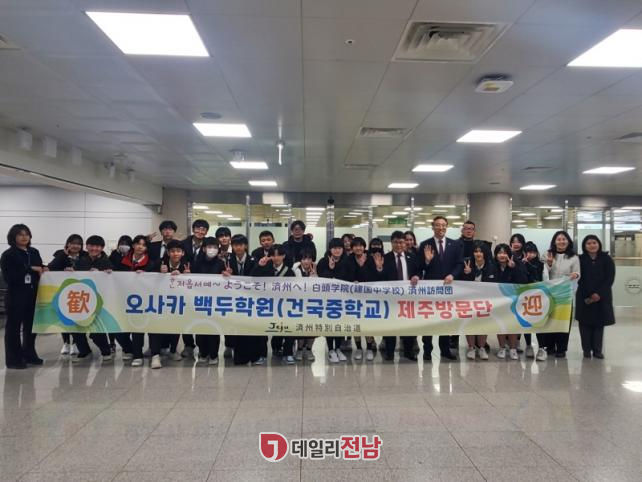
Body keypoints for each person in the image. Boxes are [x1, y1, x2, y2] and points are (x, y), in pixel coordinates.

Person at [1, 224, 46, 369]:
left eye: (27, 234)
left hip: (33, 294)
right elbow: (9, 277)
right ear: (13, 237)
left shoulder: (34, 252)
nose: (24, 237)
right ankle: (14, 360)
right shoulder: (8, 255)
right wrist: (29, 269)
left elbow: (39, 267)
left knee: (31, 327)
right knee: (13, 328)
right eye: (20, 234)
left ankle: (29, 355)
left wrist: (44, 269)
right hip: (16, 295)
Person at [419, 216, 463, 361]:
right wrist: (427, 261)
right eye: (437, 225)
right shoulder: (425, 245)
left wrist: (452, 275)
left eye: (443, 225)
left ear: (447, 227)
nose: (441, 228)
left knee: (445, 319)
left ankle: (445, 350)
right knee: (429, 320)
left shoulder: (455, 245)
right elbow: (419, 267)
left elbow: (459, 264)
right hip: (430, 290)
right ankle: (427, 350)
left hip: (448, 289)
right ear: (433, 227)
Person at [376, 230, 421, 361]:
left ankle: (408, 352)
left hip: (408, 297)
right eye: (396, 242)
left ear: (405, 243)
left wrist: (417, 276)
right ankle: (389, 352)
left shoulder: (412, 257)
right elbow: (379, 278)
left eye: (401, 242)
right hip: (391, 298)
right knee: (390, 325)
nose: (399, 245)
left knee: (408, 325)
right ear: (391, 243)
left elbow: (418, 271)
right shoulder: (385, 258)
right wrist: (379, 268)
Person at [70, 235, 115, 363]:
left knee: (97, 330)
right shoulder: (81, 261)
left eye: (98, 246)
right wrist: (69, 272)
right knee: (76, 328)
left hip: (100, 301)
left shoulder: (107, 262)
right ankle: (84, 351)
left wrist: (105, 273)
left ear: (102, 248)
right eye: (92, 246)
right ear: (87, 246)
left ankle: (106, 351)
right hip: (82, 299)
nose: (94, 248)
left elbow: (113, 279)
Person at [115, 235, 156, 367]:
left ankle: (138, 355)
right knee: (119, 330)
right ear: (133, 245)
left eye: (143, 245)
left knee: (139, 327)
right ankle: (131, 350)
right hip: (124, 299)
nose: (140, 247)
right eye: (138, 244)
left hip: (144, 300)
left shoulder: (151, 263)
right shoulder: (121, 260)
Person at [252, 245, 295, 364]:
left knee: (288, 328)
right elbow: (253, 279)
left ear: (283, 256)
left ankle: (287, 353)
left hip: (283, 306)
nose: (276, 258)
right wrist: (259, 266)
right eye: (273, 255)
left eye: (279, 255)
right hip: (266, 305)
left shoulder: (289, 271)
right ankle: (262, 354)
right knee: (262, 330)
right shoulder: (265, 267)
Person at [576, 235, 614, 359]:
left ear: (599, 244)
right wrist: (591, 293)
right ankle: (586, 350)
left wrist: (599, 293)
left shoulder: (606, 259)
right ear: (584, 246)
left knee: (599, 324)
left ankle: (597, 350)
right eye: (589, 243)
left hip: (602, 296)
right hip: (584, 295)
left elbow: (610, 278)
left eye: (594, 242)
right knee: (584, 324)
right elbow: (580, 279)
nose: (592, 245)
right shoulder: (580, 259)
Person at [226, 234, 261, 364]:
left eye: (241, 245)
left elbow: (256, 278)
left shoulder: (254, 259)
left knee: (250, 327)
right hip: (234, 299)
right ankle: (235, 352)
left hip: (251, 299)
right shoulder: (227, 260)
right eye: (235, 245)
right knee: (235, 325)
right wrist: (226, 275)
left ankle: (253, 355)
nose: (238, 247)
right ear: (232, 246)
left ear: (245, 246)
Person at [49, 234, 86, 357]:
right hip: (63, 291)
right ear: (68, 244)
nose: (76, 246)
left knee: (78, 318)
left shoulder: (84, 256)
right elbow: (50, 268)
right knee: (64, 318)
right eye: (73, 243)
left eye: (79, 244)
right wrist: (63, 255)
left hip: (80, 291)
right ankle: (66, 343)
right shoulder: (60, 254)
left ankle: (75, 342)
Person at [545, 230, 580, 358]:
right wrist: (549, 264)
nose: (561, 241)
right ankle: (549, 346)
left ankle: (561, 348)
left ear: (568, 241)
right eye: (558, 239)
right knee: (550, 320)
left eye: (564, 239)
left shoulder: (574, 257)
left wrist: (575, 275)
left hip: (565, 294)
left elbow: (577, 272)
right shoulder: (548, 254)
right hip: (550, 293)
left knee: (563, 321)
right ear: (554, 242)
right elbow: (543, 272)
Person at [192, 237, 225, 365]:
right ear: (204, 249)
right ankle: (203, 353)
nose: (212, 250)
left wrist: (228, 275)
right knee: (200, 329)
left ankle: (214, 354)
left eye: (215, 247)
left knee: (213, 329)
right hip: (199, 301)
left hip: (214, 302)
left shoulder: (221, 263)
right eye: (209, 247)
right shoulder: (196, 263)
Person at [345, 237, 378, 361]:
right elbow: (347, 276)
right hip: (353, 297)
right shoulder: (348, 259)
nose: (358, 248)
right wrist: (357, 270)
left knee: (367, 323)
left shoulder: (370, 258)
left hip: (368, 296)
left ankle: (369, 348)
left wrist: (362, 265)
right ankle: (358, 348)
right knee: (356, 323)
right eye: (355, 246)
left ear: (364, 247)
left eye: (360, 245)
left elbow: (372, 276)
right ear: (352, 248)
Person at [179, 219, 209, 357]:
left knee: (202, 314)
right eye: (198, 228)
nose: (200, 231)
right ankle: (188, 345)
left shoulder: (210, 244)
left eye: (203, 229)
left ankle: (203, 346)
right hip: (185, 284)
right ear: (193, 229)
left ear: (206, 232)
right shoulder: (183, 243)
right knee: (186, 314)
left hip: (203, 285)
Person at [316, 238, 349, 363]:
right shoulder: (323, 261)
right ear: (330, 249)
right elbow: (321, 278)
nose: (337, 250)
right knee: (330, 324)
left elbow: (349, 277)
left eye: (339, 248)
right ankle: (330, 349)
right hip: (328, 299)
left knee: (340, 324)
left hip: (343, 298)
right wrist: (330, 268)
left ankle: (338, 348)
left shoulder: (347, 261)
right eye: (334, 248)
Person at [493, 243, 528, 360]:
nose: (502, 255)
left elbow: (523, 281)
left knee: (513, 325)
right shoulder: (492, 265)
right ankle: (502, 348)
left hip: (514, 301)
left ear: (509, 254)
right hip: (498, 302)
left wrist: (514, 268)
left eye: (504, 253)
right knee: (500, 325)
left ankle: (513, 349)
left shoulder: (517, 264)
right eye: (499, 253)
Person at [461, 241, 495, 360]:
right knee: (470, 324)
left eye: (481, 251)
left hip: (485, 301)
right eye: (476, 251)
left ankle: (481, 348)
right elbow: (460, 282)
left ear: (485, 253)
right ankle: (471, 347)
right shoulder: (467, 263)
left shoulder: (491, 265)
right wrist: (467, 274)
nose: (478, 254)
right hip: (469, 301)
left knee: (483, 324)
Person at [523, 241, 550, 361]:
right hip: (524, 298)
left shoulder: (541, 265)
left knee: (539, 323)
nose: (531, 254)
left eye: (533, 252)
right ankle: (528, 345)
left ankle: (542, 348)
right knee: (526, 323)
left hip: (539, 298)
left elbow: (546, 280)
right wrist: (522, 265)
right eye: (528, 252)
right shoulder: (520, 263)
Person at [292, 249, 317, 362]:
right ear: (300, 260)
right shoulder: (295, 270)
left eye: (309, 259)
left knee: (312, 328)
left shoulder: (316, 269)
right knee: (301, 327)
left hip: (313, 304)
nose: (306, 261)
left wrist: (314, 276)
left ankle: (309, 349)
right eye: (304, 259)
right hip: (299, 303)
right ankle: (299, 349)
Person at [509, 233, 532, 355]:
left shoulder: (528, 255)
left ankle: (528, 345)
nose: (516, 244)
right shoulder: (508, 255)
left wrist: (523, 264)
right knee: (513, 318)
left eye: (518, 241)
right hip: (511, 293)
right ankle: (514, 342)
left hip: (526, 293)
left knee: (526, 319)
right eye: (513, 241)